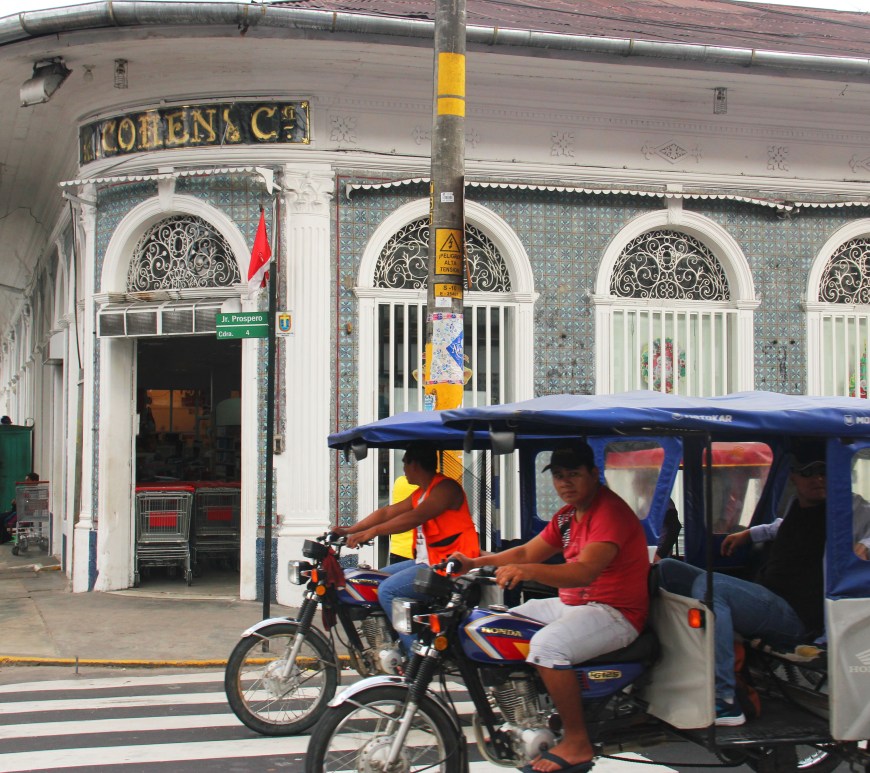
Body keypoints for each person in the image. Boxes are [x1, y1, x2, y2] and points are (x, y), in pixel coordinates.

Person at [449, 442, 649, 773]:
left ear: (594, 474)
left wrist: (528, 572)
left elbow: (583, 572)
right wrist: (473, 562)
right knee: (501, 624)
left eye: (574, 474)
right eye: (558, 476)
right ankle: (531, 710)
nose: (565, 483)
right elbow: (527, 553)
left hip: (615, 613)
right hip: (576, 605)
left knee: (546, 646)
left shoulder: (609, 513)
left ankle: (576, 741)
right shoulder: (569, 516)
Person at [658, 442, 828, 727]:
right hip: (768, 595)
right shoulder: (797, 506)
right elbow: (778, 525)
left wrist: (864, 547)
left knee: (711, 588)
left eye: (824, 472)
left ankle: (724, 696)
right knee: (666, 569)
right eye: (809, 473)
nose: (818, 479)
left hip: (794, 615)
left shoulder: (846, 510)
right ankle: (670, 663)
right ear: (794, 477)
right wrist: (748, 534)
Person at [336, 444, 481, 653]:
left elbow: (416, 517)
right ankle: (390, 642)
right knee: (372, 581)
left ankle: (414, 657)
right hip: (428, 561)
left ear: (414, 464)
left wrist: (373, 532)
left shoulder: (446, 488)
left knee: (387, 591)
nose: (403, 468)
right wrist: (350, 530)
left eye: (404, 462)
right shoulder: (421, 493)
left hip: (450, 565)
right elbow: (387, 513)